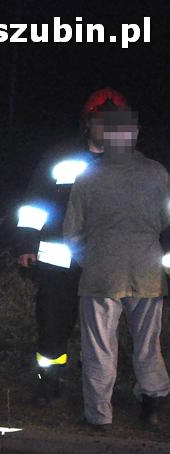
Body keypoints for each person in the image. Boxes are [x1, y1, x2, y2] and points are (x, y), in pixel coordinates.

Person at [16, 87, 129, 406]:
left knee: (103, 331)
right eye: (100, 121)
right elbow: (34, 204)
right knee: (52, 324)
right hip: (58, 260)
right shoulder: (60, 157)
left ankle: (97, 388)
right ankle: (49, 381)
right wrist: (26, 243)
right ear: (87, 123)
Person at [63, 107, 170, 430]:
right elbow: (167, 221)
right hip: (148, 272)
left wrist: (89, 258)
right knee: (148, 343)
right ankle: (151, 403)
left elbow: (71, 233)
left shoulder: (87, 176)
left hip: (101, 273)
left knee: (99, 347)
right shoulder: (158, 173)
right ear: (134, 135)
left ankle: (99, 415)